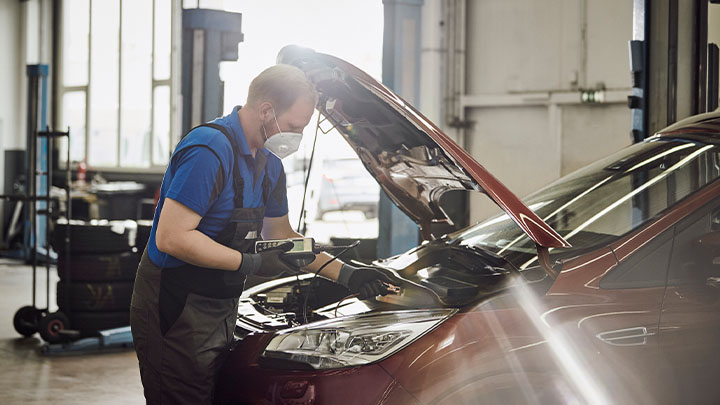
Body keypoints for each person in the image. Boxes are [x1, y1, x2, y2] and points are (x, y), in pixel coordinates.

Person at [129, 63, 393, 404]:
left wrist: (347, 273)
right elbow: (172, 237)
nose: (296, 137)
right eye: (294, 126)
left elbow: (282, 234)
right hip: (174, 302)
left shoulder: (270, 166)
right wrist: (250, 262)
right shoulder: (209, 151)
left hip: (220, 303)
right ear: (266, 110)